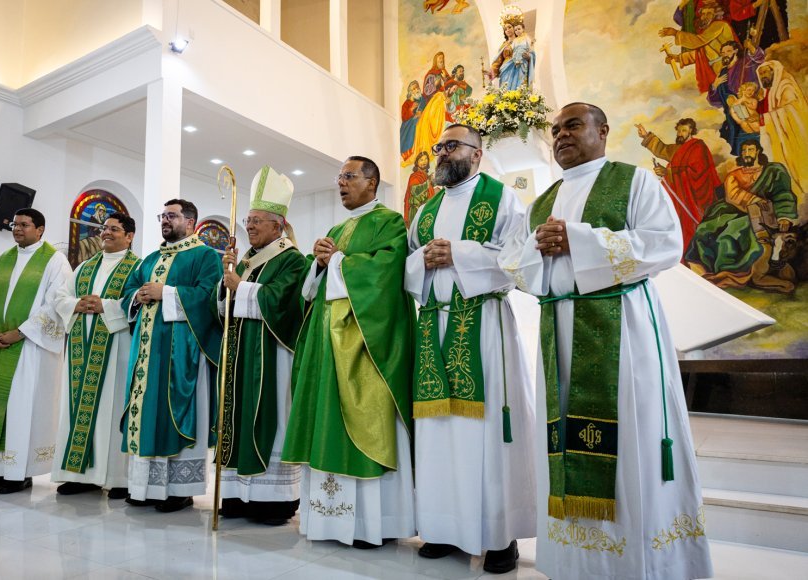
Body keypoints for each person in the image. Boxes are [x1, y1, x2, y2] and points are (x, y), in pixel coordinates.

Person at [499, 103, 713, 580]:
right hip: (560, 332)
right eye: (555, 130)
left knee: (632, 436)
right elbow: (516, 267)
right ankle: (576, 561)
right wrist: (539, 248)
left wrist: (579, 239)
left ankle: (641, 561)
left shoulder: (633, 181)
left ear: (603, 131)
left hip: (625, 329)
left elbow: (664, 243)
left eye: (572, 126)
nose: (560, 136)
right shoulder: (542, 200)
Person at [406, 124, 536, 574]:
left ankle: (500, 537)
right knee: (439, 432)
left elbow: (519, 261)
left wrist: (458, 253)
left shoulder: (502, 199)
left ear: (477, 154)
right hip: (434, 326)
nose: (441, 153)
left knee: (485, 435)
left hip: (482, 325)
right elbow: (409, 264)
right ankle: (443, 528)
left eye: (451, 146)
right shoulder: (425, 209)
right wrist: (421, 260)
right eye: (439, 146)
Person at [282, 156, 416, 548]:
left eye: (349, 176)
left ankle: (373, 523)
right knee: (327, 423)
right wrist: (320, 264)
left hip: (366, 344)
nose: (341, 183)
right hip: (328, 344)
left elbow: (387, 272)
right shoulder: (337, 227)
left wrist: (336, 260)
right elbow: (314, 286)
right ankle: (328, 520)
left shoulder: (390, 221)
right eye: (339, 177)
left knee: (365, 418)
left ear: (372, 183)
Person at [214, 167, 307, 524]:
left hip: (270, 356)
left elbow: (284, 303)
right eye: (248, 220)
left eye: (256, 221)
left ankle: (273, 500)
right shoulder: (248, 259)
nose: (249, 226)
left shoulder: (291, 259)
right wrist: (225, 287)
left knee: (269, 418)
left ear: (278, 225)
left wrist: (241, 287)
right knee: (236, 417)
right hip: (239, 354)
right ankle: (238, 494)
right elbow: (224, 305)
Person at [120, 199, 222, 512]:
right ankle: (143, 487)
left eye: (172, 216)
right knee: (146, 411)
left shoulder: (205, 256)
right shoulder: (149, 258)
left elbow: (209, 298)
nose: (165, 221)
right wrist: (138, 296)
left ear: (191, 221)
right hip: (146, 353)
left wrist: (165, 292)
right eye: (162, 215)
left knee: (175, 412)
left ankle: (180, 489)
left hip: (181, 352)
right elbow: (128, 292)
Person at [0, 208, 72, 494]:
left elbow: (56, 303)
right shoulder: (2, 260)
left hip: (30, 348)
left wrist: (21, 332)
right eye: (15, 224)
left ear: (40, 229)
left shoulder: (54, 261)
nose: (17, 229)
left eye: (24, 225)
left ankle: (19, 473)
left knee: (20, 409)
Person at [51, 213, 140, 497]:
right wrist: (78, 303)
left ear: (129, 236)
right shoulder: (85, 267)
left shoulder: (137, 268)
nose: (107, 233)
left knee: (112, 410)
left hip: (118, 349)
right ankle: (79, 476)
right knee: (77, 407)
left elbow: (137, 301)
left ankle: (118, 478)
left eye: (114, 229)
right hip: (81, 347)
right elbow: (60, 298)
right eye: (105, 229)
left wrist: (108, 306)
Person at [686, 139, 797, 290]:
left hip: (768, 214)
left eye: (750, 150)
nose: (746, 153)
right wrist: (755, 200)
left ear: (758, 151)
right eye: (744, 151)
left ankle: (770, 266)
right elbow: (732, 195)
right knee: (723, 231)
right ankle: (732, 270)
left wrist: (784, 216)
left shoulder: (773, 171)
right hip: (734, 212)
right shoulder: (734, 175)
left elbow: (783, 193)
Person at [636, 118, 720, 254]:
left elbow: (698, 173)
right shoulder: (678, 149)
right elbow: (663, 149)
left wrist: (667, 172)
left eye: (684, 130)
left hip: (694, 198)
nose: (680, 133)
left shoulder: (698, 147)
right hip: (679, 196)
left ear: (691, 131)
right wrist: (646, 135)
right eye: (679, 130)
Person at [757, 60, 808, 212]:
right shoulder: (768, 91)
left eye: (766, 72)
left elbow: (791, 111)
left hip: (794, 138)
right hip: (778, 139)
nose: (763, 76)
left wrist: (765, 118)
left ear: (775, 72)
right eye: (761, 74)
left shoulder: (786, 85)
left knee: (796, 168)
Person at [660, 2, 737, 94]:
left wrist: (675, 33)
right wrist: (677, 58)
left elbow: (698, 41)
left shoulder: (720, 25)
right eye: (703, 14)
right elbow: (700, 53)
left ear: (716, 15)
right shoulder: (708, 32)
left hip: (732, 70)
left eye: (709, 13)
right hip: (719, 73)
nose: (705, 16)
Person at [707, 40, 764, 155]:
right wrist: (714, 86)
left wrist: (752, 48)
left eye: (728, 51)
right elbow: (715, 101)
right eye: (722, 53)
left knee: (749, 144)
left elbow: (760, 60)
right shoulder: (722, 73)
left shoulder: (746, 63)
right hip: (731, 118)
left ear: (736, 51)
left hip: (748, 113)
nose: (725, 55)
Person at [489, 15, 535, 90]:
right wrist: (491, 73)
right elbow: (498, 61)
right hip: (506, 70)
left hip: (520, 68)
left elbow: (531, 52)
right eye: (505, 29)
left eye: (509, 27)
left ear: (514, 28)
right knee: (506, 93)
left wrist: (529, 57)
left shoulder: (522, 40)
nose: (507, 30)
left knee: (519, 91)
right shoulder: (504, 45)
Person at [404, 150, 436, 227]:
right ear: (417, 162)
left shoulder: (426, 176)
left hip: (426, 209)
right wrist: (429, 182)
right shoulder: (415, 176)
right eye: (421, 160)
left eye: (426, 159)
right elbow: (415, 191)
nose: (424, 161)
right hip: (417, 210)